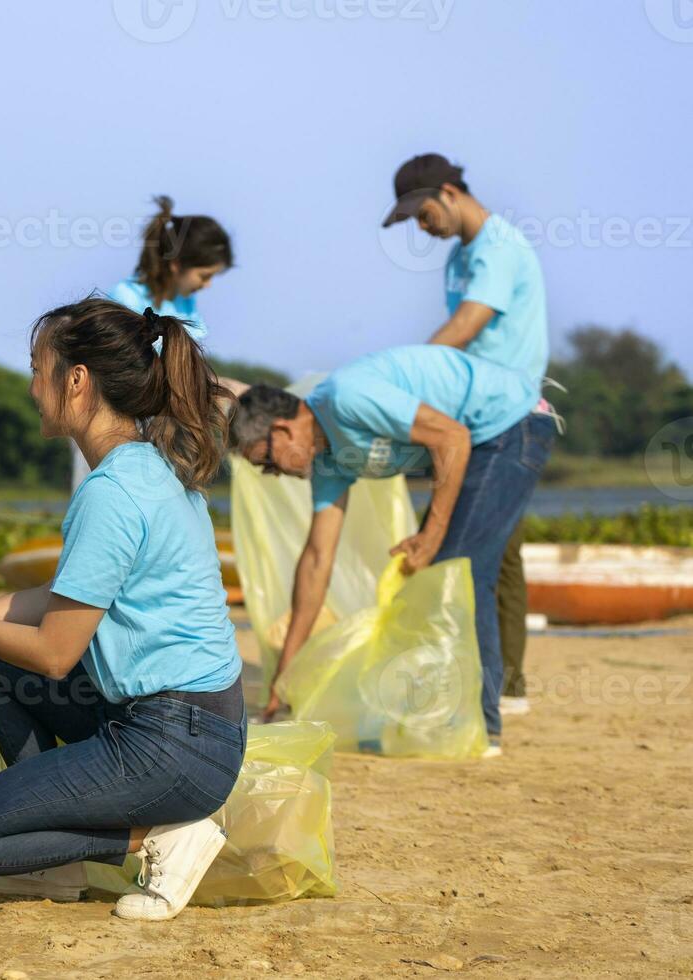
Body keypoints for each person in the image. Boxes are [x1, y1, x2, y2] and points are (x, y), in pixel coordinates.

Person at [0, 298, 245, 921]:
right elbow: (59, 601)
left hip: (175, 742)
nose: (32, 386)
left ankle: (160, 839)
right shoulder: (146, 465)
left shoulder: (113, 492)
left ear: (77, 380)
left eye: (37, 368)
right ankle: (55, 858)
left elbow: (56, 653)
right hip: (197, 728)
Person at [230, 345, 557, 752]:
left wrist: (432, 536)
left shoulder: (346, 399)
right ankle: (457, 713)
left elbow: (452, 437)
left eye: (266, 462)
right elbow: (317, 560)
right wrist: (285, 673)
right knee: (444, 570)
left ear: (282, 430)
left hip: (512, 423)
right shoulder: (330, 459)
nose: (272, 474)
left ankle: (481, 727)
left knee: (460, 569)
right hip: (478, 441)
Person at [384, 153, 550, 718]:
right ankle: (500, 682)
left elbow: (465, 328)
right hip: (470, 419)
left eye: (423, 213)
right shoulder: (460, 257)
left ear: (450, 192)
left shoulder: (498, 248)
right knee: (496, 551)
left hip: (510, 419)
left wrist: (404, 375)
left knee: (473, 557)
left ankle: (491, 698)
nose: (421, 228)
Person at [73, 195, 239, 489]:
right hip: (117, 428)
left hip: (164, 430)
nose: (208, 284)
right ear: (176, 265)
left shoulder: (186, 304)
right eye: (205, 275)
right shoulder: (125, 299)